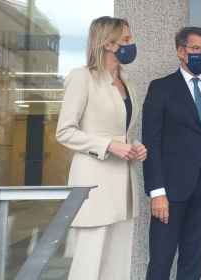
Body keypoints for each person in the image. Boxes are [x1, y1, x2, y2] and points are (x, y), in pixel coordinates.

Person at [56, 16, 147, 280]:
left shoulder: (128, 83)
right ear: (108, 42)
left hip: (124, 186)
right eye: (127, 39)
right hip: (94, 184)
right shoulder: (82, 78)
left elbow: (122, 132)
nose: (132, 43)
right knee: (89, 264)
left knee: (117, 266)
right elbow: (65, 132)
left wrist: (135, 147)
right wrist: (108, 146)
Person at [143, 26, 201, 280]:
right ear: (181, 51)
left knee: (193, 261)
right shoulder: (161, 88)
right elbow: (152, 141)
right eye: (195, 49)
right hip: (169, 192)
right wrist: (157, 191)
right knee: (160, 261)